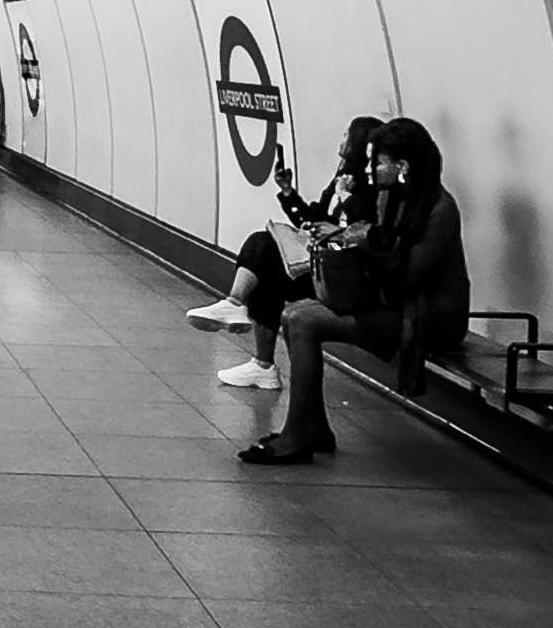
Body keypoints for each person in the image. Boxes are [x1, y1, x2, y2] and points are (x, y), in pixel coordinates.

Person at [240, 116, 469, 465]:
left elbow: (407, 276)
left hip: (430, 316)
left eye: (379, 162)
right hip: (395, 303)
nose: (372, 169)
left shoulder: (440, 209)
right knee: (292, 313)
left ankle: (297, 435)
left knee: (303, 322)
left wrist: (365, 243)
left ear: (403, 166)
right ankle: (313, 426)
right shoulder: (392, 198)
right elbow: (382, 255)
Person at [191, 115, 382, 390]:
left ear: (359, 143)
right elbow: (316, 218)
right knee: (262, 250)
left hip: (343, 276)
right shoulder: (342, 178)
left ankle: (258, 355)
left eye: (346, 135)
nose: (342, 140)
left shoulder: (372, 188)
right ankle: (241, 319)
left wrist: (342, 205)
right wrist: (288, 192)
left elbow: (366, 229)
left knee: (265, 264)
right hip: (323, 263)